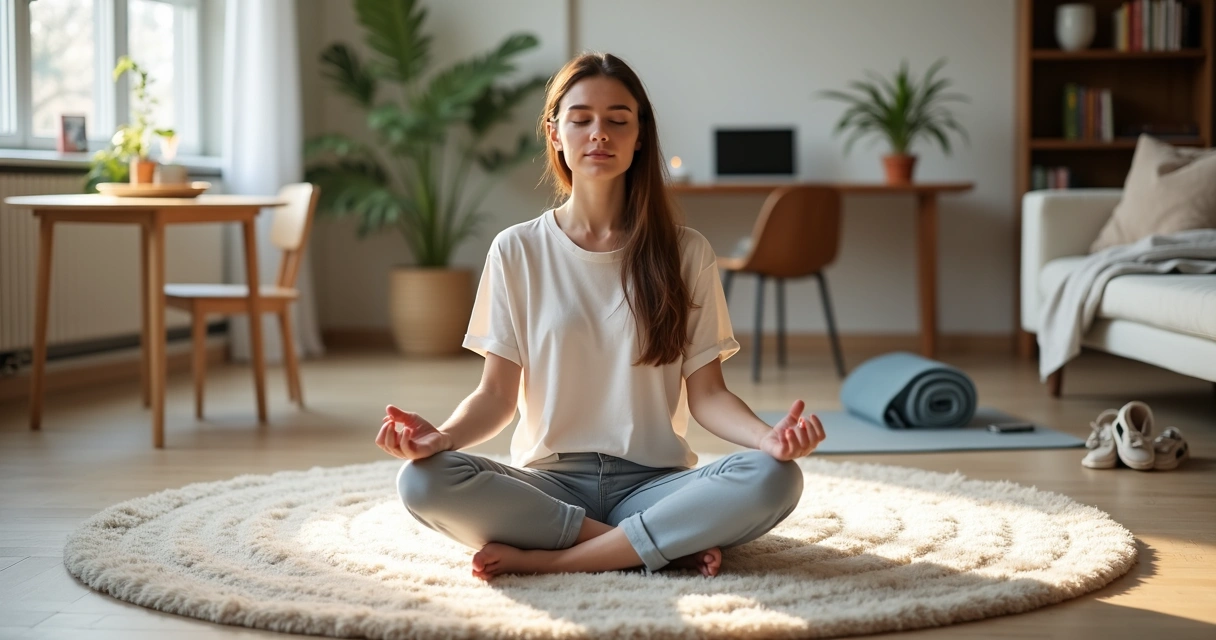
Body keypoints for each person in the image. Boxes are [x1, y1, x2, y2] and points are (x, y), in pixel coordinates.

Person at [375, 52, 826, 581]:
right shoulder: (516, 250)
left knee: (775, 478)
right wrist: (442, 438)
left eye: (618, 120)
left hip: (656, 485)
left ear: (640, 138)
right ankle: (654, 546)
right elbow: (496, 396)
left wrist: (767, 439)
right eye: (581, 118)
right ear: (555, 132)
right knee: (422, 481)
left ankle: (556, 560)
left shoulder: (686, 252)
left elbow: (708, 395)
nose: (600, 134)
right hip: (550, 487)